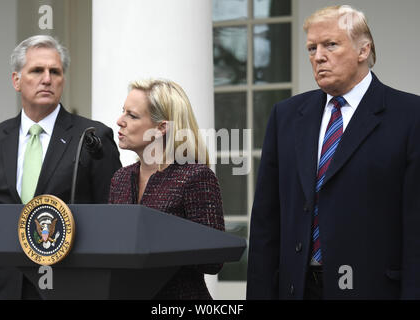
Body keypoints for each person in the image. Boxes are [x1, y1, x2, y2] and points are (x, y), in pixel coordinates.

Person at [247, 5, 420, 300]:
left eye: (330, 45)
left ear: (363, 50)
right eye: (312, 48)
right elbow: (266, 221)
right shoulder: (285, 116)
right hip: (296, 289)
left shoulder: (410, 115)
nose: (318, 56)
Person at [0, 35, 122, 299]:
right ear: (16, 80)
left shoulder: (92, 137)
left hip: (70, 287)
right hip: (2, 288)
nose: (47, 79)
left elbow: (112, 223)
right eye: (37, 70)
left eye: (55, 71)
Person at [108, 79, 225, 299]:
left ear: (161, 128)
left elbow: (214, 259)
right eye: (122, 112)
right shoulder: (120, 179)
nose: (119, 121)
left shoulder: (196, 177)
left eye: (132, 115)